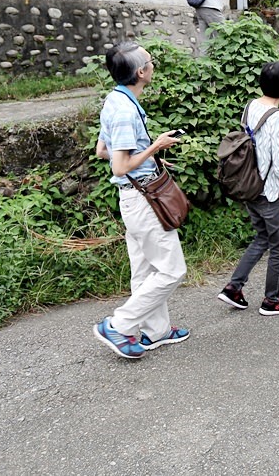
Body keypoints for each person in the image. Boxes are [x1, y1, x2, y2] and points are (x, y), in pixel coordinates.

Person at [93, 42, 188, 359]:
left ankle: (156, 331)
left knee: (145, 270)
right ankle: (118, 325)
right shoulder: (123, 112)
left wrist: (146, 160)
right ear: (141, 72)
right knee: (172, 271)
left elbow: (103, 151)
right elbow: (119, 165)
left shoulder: (116, 100)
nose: (153, 66)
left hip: (134, 197)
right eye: (151, 61)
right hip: (142, 200)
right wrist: (155, 148)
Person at [217, 62, 279, 316]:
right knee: (278, 245)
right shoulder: (278, 117)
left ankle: (234, 287)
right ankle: (272, 300)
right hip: (270, 192)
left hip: (249, 187)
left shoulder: (251, 106)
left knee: (262, 238)